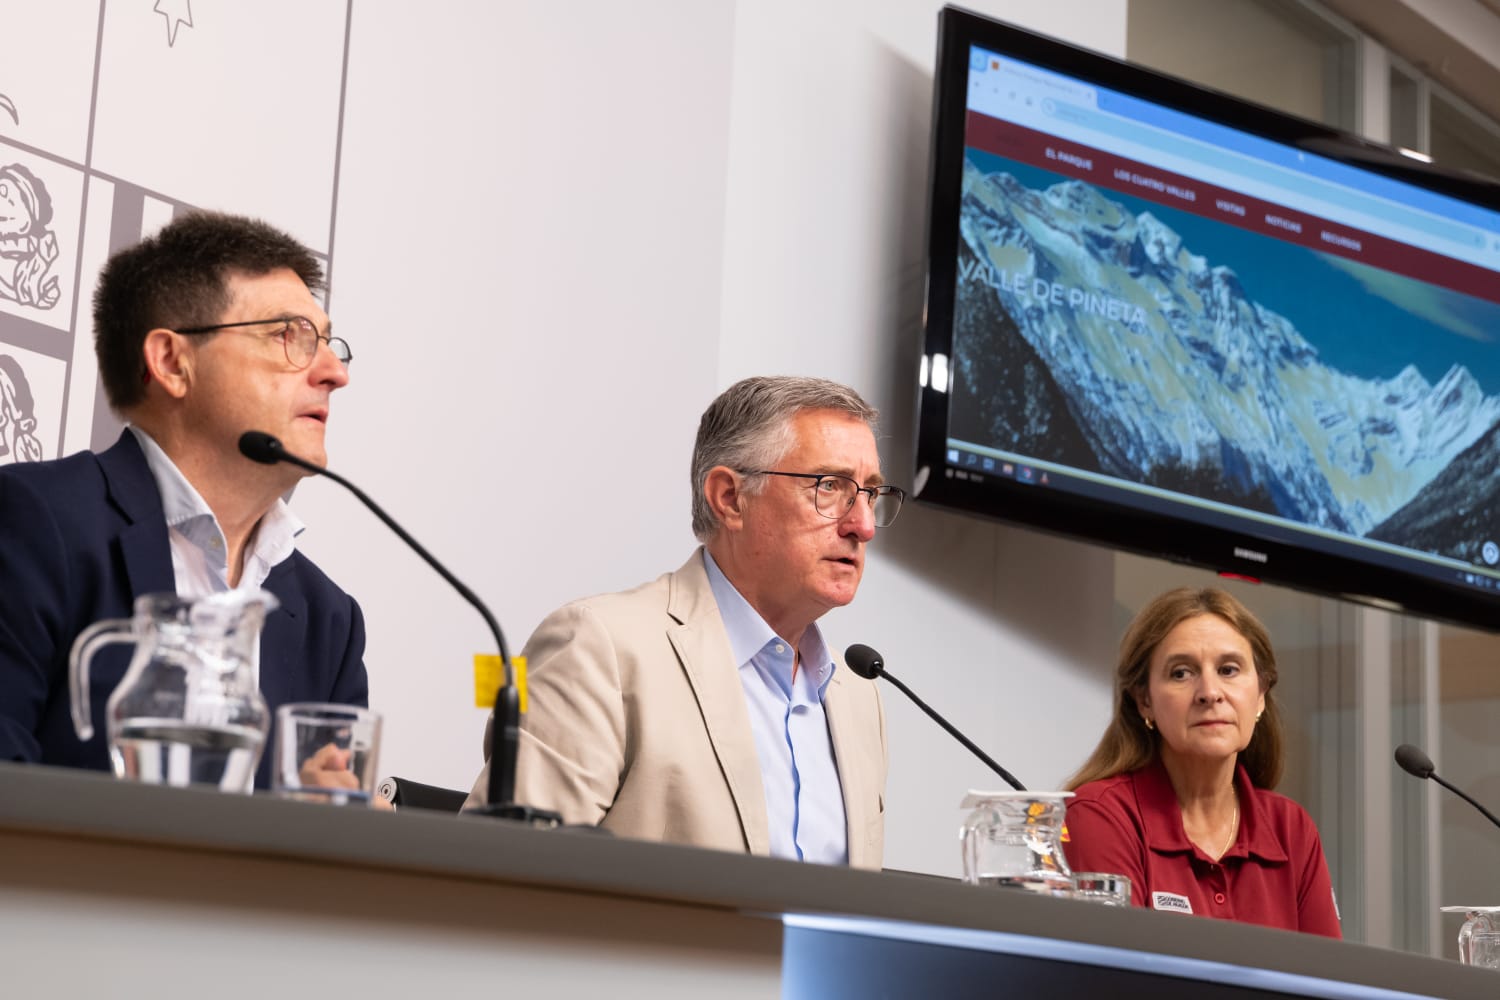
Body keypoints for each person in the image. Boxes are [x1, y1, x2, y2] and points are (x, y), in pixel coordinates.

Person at [466, 376, 901, 868]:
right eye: (829, 487)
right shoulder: (601, 648)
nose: (863, 525)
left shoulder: (859, 696)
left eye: (871, 493)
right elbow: (499, 873)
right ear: (730, 498)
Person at [0, 210, 368, 789]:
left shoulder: (329, 621)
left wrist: (339, 827)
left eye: (328, 344)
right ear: (172, 362)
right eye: (289, 336)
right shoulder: (34, 526)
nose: (333, 374)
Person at [1062, 587, 1341, 937]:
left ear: (1260, 696)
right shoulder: (1099, 816)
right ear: (1144, 700)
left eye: (1228, 669)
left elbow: (1328, 970)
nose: (1210, 692)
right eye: (1181, 673)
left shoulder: (1292, 830)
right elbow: (1118, 968)